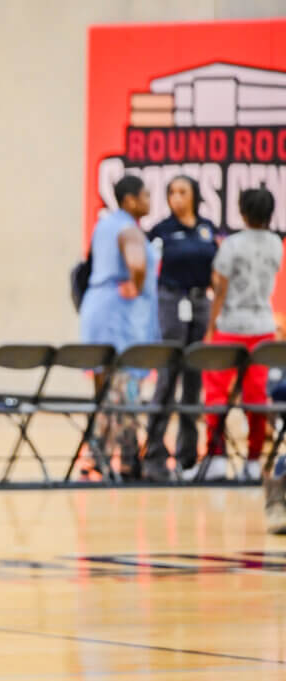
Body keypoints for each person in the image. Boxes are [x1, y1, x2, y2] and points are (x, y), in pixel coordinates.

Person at [79, 175, 159, 480]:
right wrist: (136, 285)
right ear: (129, 200)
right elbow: (136, 263)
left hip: (98, 310)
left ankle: (98, 454)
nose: (149, 201)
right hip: (118, 316)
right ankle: (125, 459)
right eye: (145, 195)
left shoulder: (105, 224)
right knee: (124, 388)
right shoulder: (128, 228)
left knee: (105, 390)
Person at [201, 187, 282, 483]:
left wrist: (211, 327)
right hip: (262, 327)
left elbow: (220, 289)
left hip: (230, 326)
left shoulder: (232, 245)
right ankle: (253, 461)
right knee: (256, 397)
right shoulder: (276, 243)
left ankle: (217, 459)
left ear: (243, 212)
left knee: (216, 394)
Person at [141, 176, 217, 481]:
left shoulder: (206, 229)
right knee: (167, 377)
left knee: (193, 381)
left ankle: (188, 458)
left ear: (195, 195)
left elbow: (216, 271)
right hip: (171, 302)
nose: (176, 197)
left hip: (200, 304)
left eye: (182, 192)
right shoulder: (162, 231)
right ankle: (155, 455)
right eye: (171, 192)